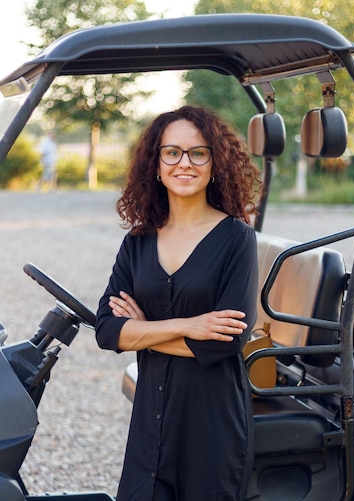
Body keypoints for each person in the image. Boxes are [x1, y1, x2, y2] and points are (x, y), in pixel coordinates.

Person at [95, 105, 262, 501]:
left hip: (211, 423)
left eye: (198, 152)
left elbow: (225, 342)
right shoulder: (137, 242)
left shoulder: (236, 239)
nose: (184, 163)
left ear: (215, 163)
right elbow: (105, 330)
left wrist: (141, 332)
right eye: (172, 152)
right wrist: (187, 326)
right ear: (156, 163)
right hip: (150, 423)